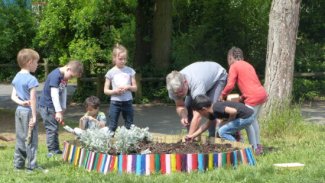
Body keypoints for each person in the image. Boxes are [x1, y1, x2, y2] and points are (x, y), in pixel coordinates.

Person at [220, 47, 268, 154]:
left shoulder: (234, 66)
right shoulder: (248, 65)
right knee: (253, 120)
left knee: (247, 122)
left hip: (253, 97)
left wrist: (222, 95)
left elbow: (230, 85)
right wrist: (242, 97)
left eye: (228, 60)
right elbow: (250, 83)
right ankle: (258, 146)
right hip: (262, 94)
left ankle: (254, 149)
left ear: (230, 58)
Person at [166, 61, 228, 137]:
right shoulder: (173, 89)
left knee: (211, 109)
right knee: (188, 107)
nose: (179, 94)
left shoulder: (195, 84)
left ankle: (212, 137)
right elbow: (180, 106)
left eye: (181, 91)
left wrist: (188, 138)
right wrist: (183, 115)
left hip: (217, 77)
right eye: (176, 93)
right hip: (202, 80)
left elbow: (198, 116)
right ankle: (194, 139)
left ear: (185, 82)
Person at [39, 60, 83, 156]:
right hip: (47, 106)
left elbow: (63, 91)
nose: (70, 79)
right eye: (71, 76)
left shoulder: (63, 77)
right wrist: (58, 111)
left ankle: (56, 149)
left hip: (53, 106)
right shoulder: (56, 75)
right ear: (68, 69)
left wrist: (63, 106)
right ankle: (51, 151)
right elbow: (54, 94)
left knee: (54, 128)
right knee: (51, 129)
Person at [11, 48, 40, 171]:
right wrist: (34, 116)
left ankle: (18, 165)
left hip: (19, 110)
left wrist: (21, 102)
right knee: (31, 139)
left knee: (20, 137)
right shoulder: (31, 79)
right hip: (28, 112)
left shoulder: (17, 76)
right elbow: (33, 100)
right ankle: (31, 167)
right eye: (36, 62)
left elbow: (13, 96)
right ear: (29, 62)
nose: (37, 65)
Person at [186, 94, 254, 142]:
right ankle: (236, 137)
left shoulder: (216, 107)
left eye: (199, 112)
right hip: (246, 116)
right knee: (221, 128)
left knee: (222, 131)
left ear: (203, 109)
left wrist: (229, 122)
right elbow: (205, 126)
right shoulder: (212, 112)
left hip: (246, 117)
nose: (200, 114)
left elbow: (233, 111)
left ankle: (237, 148)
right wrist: (192, 136)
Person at [104, 44, 137, 133]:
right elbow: (105, 90)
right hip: (115, 102)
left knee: (129, 125)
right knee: (112, 126)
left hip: (128, 101)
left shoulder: (130, 71)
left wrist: (128, 87)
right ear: (114, 58)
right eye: (120, 59)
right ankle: (109, 144)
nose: (123, 61)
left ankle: (128, 144)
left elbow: (135, 88)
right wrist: (115, 91)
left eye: (124, 59)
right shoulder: (110, 72)